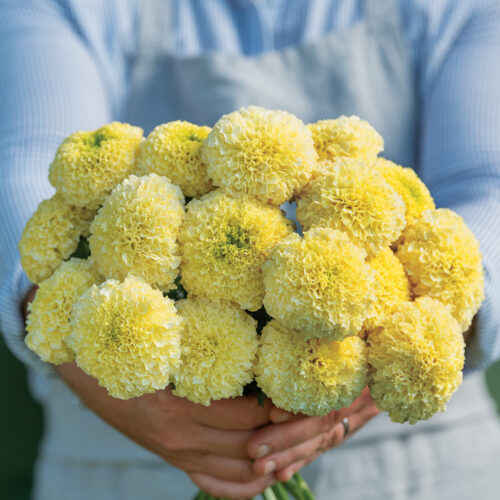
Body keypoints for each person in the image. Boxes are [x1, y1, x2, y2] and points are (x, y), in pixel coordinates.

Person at [1, 0, 500, 499]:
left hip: (417, 465)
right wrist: (94, 366)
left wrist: (383, 365)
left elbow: (488, 180)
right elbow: (27, 162)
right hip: (120, 440)